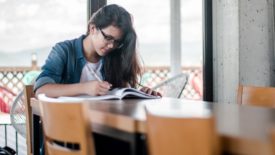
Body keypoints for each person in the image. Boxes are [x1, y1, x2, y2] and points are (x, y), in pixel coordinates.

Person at [34, 4, 161, 97]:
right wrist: (84, 88)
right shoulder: (64, 51)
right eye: (108, 38)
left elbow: (121, 95)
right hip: (68, 123)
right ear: (93, 28)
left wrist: (140, 94)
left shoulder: (114, 56)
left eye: (117, 42)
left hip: (104, 124)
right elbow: (41, 89)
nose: (111, 46)